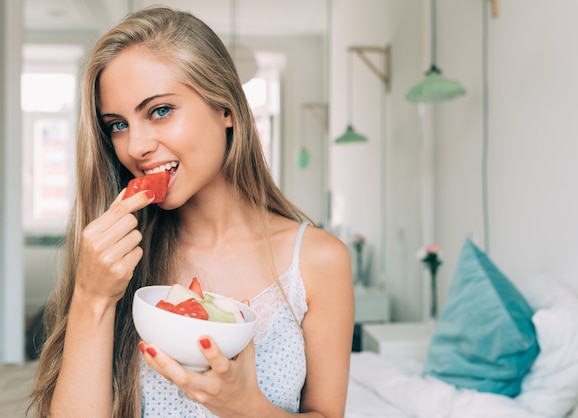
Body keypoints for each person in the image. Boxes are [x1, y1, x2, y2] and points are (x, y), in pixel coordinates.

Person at [29, 6, 354, 418]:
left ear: (227, 109)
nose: (135, 146)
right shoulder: (115, 258)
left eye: (160, 110)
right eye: (117, 124)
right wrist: (92, 297)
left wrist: (244, 406)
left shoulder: (318, 260)